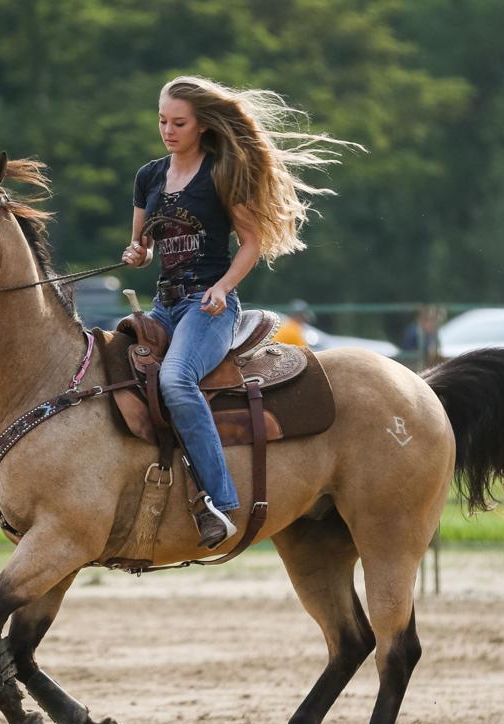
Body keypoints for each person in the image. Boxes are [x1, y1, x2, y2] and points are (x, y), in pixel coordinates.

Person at [121, 75, 345, 549]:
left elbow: (252, 243)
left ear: (201, 125)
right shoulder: (149, 177)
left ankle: (221, 503)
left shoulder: (221, 172)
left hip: (210, 307)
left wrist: (223, 288)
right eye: (162, 120)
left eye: (178, 122)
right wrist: (136, 255)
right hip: (163, 306)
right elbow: (140, 245)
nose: (168, 129)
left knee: (177, 381)